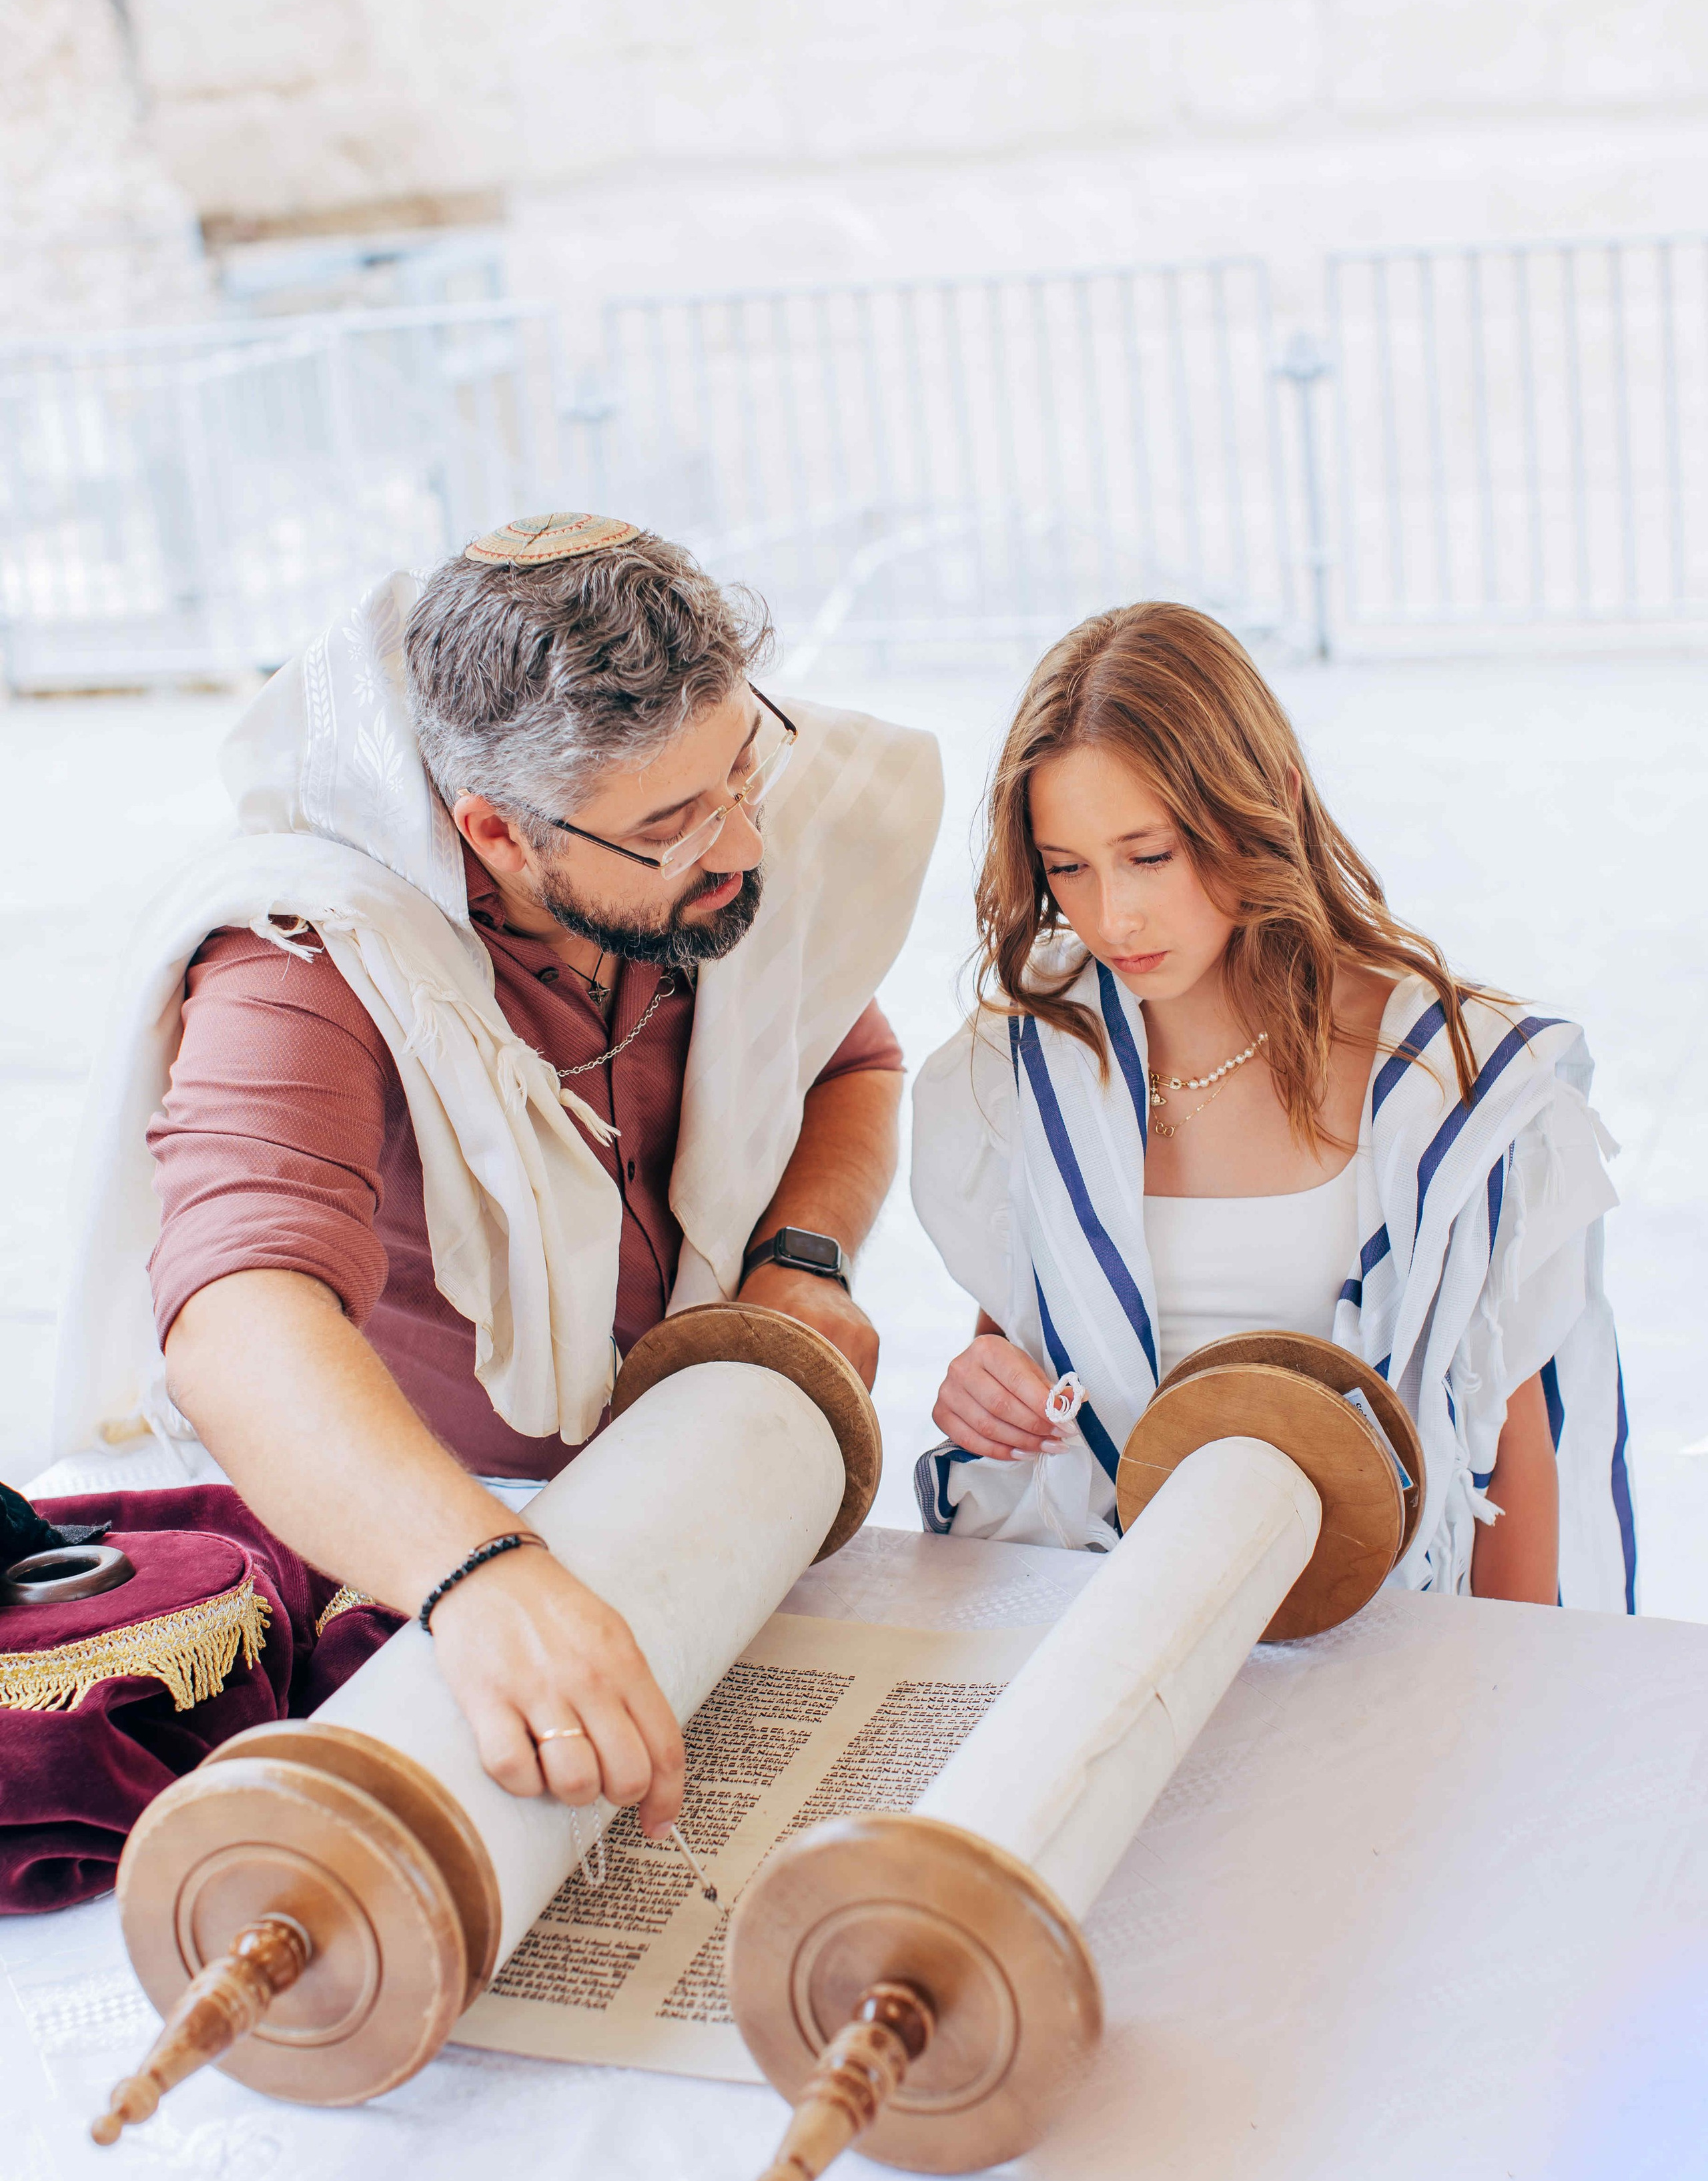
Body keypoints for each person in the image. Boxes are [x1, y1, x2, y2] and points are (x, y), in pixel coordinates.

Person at [45, 511, 942, 1836]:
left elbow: (846, 1063)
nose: (746, 848)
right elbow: (238, 1317)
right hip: (420, 1551)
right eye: (675, 823)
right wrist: (480, 1577)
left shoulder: (702, 854)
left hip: (692, 1484)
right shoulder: (308, 947)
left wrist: (795, 1257)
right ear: (497, 835)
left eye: (744, 774)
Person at [911, 601, 1633, 1610]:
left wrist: (1502, 1720)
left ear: (1270, 801)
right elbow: (1019, 1341)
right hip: (1103, 1615)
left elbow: (1508, 1453)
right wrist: (982, 1384)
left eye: (1149, 855)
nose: (1110, 916)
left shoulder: (1445, 1084)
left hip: (1380, 1630)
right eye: (1067, 868)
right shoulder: (1023, 1066)